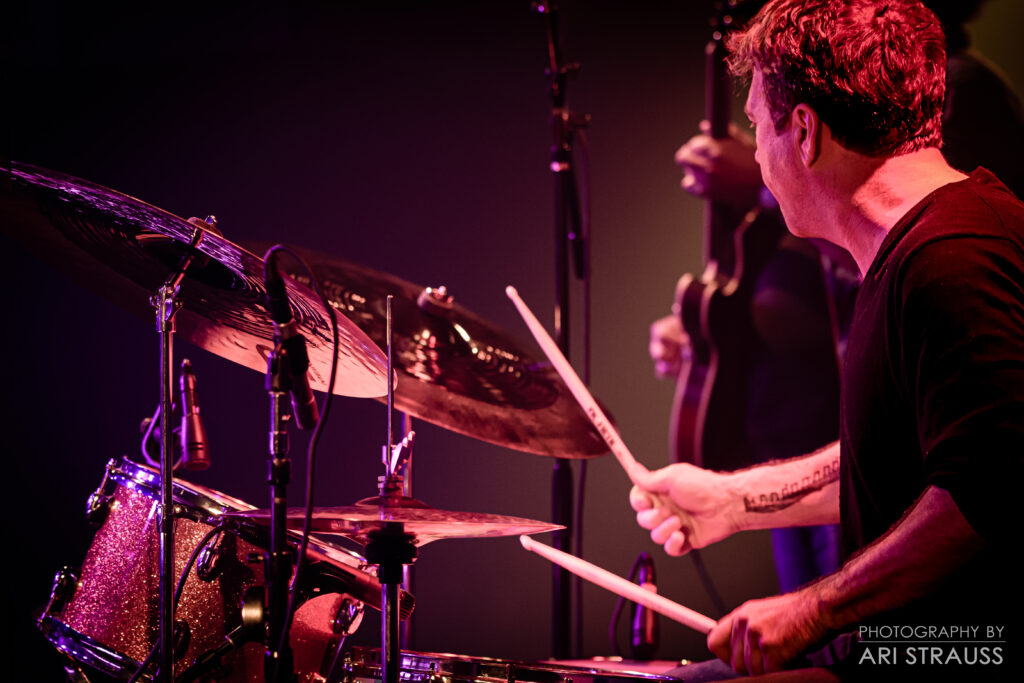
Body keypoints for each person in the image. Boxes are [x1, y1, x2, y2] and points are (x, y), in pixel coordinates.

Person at [632, 0, 1024, 678]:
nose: (756, 153)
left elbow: (988, 488)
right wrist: (735, 501)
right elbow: (916, 453)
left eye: (757, 126)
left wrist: (812, 608)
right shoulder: (920, 250)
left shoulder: (953, 259)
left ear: (805, 131)